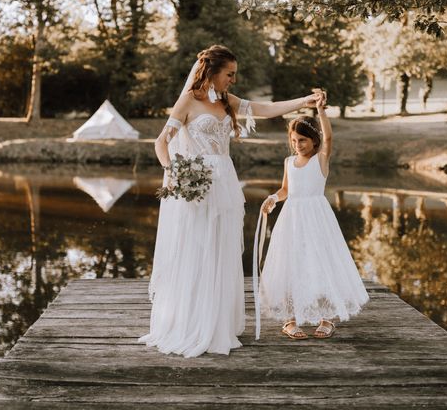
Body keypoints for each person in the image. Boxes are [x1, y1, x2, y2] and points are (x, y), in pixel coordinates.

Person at [138, 45, 324, 357]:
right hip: (196, 184)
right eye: (229, 74)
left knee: (220, 250)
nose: (233, 80)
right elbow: (161, 142)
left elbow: (265, 109)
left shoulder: (228, 102)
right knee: (197, 249)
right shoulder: (187, 101)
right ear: (211, 72)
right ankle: (189, 322)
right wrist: (174, 171)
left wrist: (304, 101)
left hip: (224, 182)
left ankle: (217, 324)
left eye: (234, 75)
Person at [259, 94, 369, 340]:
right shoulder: (289, 162)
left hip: (317, 219)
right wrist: (272, 199)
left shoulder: (320, 160)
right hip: (292, 219)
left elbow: (329, 137)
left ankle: (326, 317)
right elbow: (285, 190)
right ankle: (289, 319)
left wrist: (321, 111)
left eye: (303, 140)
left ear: (314, 140)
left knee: (320, 264)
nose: (298, 145)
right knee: (290, 264)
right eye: (295, 140)